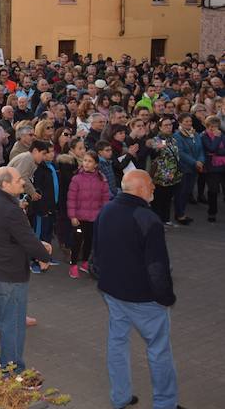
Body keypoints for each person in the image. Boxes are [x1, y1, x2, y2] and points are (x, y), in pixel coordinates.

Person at [94, 170, 178, 409]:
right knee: (159, 350)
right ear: (140, 188)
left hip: (112, 292)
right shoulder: (148, 219)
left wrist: (105, 279)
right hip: (144, 299)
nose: (154, 187)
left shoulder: (107, 209)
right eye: (151, 184)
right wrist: (166, 297)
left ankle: (120, 397)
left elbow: (96, 253)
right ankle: (165, 403)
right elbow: (157, 266)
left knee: (117, 343)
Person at [0, 167, 51, 381]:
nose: (23, 183)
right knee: (13, 324)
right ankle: (13, 370)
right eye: (18, 180)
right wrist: (43, 255)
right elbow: (26, 239)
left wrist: (39, 246)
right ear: (5, 184)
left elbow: (14, 237)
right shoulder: (11, 209)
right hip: (8, 276)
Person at [65, 150, 109, 279]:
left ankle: (85, 262)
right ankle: (73, 264)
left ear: (96, 164)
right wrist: (72, 216)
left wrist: (103, 215)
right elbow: (71, 199)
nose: (86, 163)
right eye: (85, 160)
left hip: (94, 217)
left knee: (90, 240)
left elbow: (105, 199)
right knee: (77, 241)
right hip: (79, 218)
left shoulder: (101, 179)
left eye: (90, 161)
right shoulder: (76, 179)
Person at [173, 112, 203, 226]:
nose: (189, 123)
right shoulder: (177, 136)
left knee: (188, 191)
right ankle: (179, 214)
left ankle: (182, 213)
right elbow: (180, 152)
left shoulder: (195, 134)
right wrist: (195, 162)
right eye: (186, 121)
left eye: (190, 121)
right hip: (184, 168)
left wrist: (201, 160)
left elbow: (201, 150)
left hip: (194, 168)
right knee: (181, 192)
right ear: (180, 122)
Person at [202, 116, 225, 222]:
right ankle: (212, 212)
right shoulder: (204, 136)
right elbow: (211, 148)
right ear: (207, 127)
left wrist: (216, 152)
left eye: (216, 127)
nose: (214, 129)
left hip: (223, 166)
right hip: (212, 168)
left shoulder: (222, 134)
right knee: (213, 191)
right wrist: (217, 138)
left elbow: (215, 150)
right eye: (211, 127)